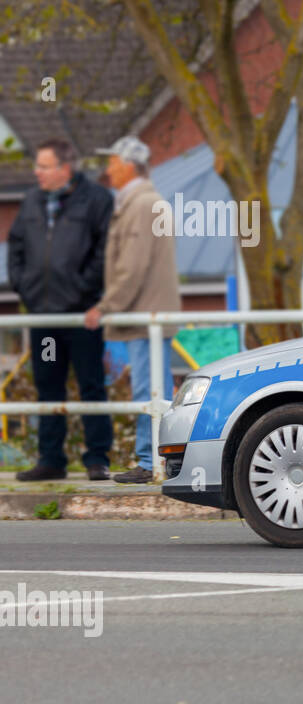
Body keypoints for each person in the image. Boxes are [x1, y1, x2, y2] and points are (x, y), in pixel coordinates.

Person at [6, 138, 114, 481]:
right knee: (48, 384)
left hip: (82, 317)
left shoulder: (96, 200)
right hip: (45, 319)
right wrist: (26, 289)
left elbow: (104, 252)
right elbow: (16, 247)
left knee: (91, 385)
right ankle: (51, 459)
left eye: (43, 165)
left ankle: (97, 458)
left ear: (64, 169)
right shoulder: (32, 201)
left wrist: (83, 290)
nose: (36, 172)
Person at [83, 136, 182, 483]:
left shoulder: (140, 205)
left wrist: (107, 306)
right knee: (156, 389)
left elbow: (133, 267)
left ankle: (150, 461)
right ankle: (160, 459)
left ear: (127, 165)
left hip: (145, 316)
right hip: (148, 314)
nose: (108, 169)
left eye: (112, 162)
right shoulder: (143, 202)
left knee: (149, 391)